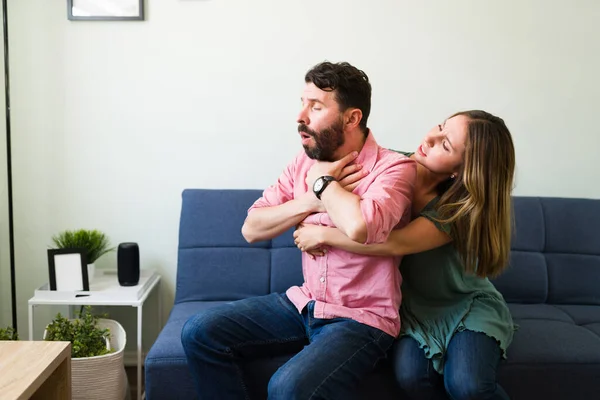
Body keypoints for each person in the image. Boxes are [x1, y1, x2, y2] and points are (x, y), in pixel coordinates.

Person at [180, 61, 417, 399]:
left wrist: (322, 182)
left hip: (362, 318)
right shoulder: (302, 162)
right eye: (303, 103)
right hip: (305, 303)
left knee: (288, 386)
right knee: (199, 332)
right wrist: (311, 200)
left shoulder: (393, 168)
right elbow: (251, 227)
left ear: (352, 118)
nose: (300, 116)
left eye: (316, 106)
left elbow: (362, 227)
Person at [294, 110, 517, 400]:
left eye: (445, 145)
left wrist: (323, 235)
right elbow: (328, 193)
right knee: (412, 378)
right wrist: (307, 214)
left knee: (467, 385)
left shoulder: (457, 209)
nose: (430, 138)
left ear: (461, 171)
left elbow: (394, 243)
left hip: (463, 306)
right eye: (439, 126)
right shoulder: (391, 166)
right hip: (411, 311)